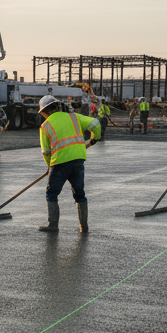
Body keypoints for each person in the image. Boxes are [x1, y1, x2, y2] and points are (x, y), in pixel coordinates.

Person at [37, 94, 100, 234]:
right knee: (79, 193)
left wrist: (49, 166)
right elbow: (95, 124)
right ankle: (84, 227)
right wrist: (94, 140)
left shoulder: (45, 126)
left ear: (44, 112)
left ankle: (53, 225)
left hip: (59, 161)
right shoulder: (74, 117)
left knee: (51, 194)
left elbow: (46, 152)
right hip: (78, 158)